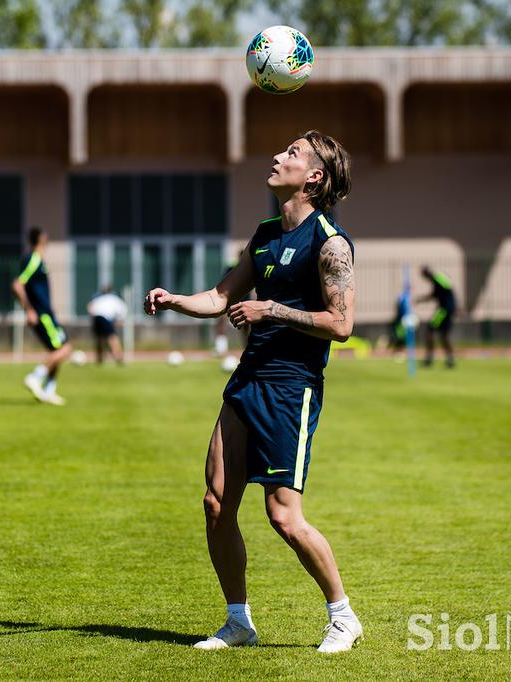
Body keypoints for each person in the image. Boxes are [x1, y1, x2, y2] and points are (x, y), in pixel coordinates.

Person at [145, 130, 362, 654]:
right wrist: (175, 300)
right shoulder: (265, 233)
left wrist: (272, 310)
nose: (277, 156)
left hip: (292, 386)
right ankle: (238, 620)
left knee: (283, 516)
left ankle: (342, 616)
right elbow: (221, 296)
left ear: (314, 177)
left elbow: (342, 324)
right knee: (216, 503)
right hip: (247, 379)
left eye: (291, 154)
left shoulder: (330, 242)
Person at [12, 227, 72, 406]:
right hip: (42, 314)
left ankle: (49, 390)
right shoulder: (33, 259)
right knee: (65, 349)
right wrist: (29, 309)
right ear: (40, 239)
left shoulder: (38, 260)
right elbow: (17, 284)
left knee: (57, 351)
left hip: (46, 313)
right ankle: (35, 377)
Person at [418, 265, 456, 368]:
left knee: (430, 330)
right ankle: (450, 359)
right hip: (449, 309)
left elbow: (435, 295)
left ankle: (430, 358)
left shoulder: (437, 280)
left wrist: (421, 299)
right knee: (444, 335)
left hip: (443, 310)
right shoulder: (441, 277)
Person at [87, 285, 127, 365]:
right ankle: (119, 358)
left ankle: (99, 359)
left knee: (99, 339)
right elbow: (123, 311)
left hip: (96, 318)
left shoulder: (98, 298)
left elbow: (89, 307)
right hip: (105, 318)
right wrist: (118, 321)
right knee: (113, 338)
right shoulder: (115, 299)